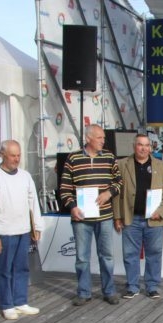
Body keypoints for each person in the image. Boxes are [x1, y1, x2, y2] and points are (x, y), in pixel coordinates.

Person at [0, 140, 44, 320]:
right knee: (4, 270)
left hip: (23, 230)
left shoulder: (25, 176)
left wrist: (37, 226)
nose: (16, 159)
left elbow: (33, 202)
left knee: (21, 268)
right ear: (2, 155)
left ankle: (20, 301)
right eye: (12, 155)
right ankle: (7, 305)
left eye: (18, 155)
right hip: (4, 233)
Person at [59, 124, 123, 306]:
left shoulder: (109, 157)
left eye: (103, 138)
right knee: (82, 258)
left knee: (107, 256)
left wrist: (108, 193)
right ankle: (84, 292)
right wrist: (72, 207)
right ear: (88, 139)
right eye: (99, 138)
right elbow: (64, 188)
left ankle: (109, 291)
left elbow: (119, 181)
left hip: (105, 217)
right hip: (81, 218)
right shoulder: (73, 158)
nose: (103, 141)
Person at [114, 133, 163, 300]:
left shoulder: (161, 166)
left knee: (154, 253)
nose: (144, 148)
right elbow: (117, 193)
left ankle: (152, 286)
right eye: (140, 144)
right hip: (131, 218)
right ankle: (132, 286)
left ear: (151, 148)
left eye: (147, 145)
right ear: (134, 146)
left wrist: (161, 211)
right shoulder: (121, 164)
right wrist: (117, 217)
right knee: (130, 254)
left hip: (154, 218)